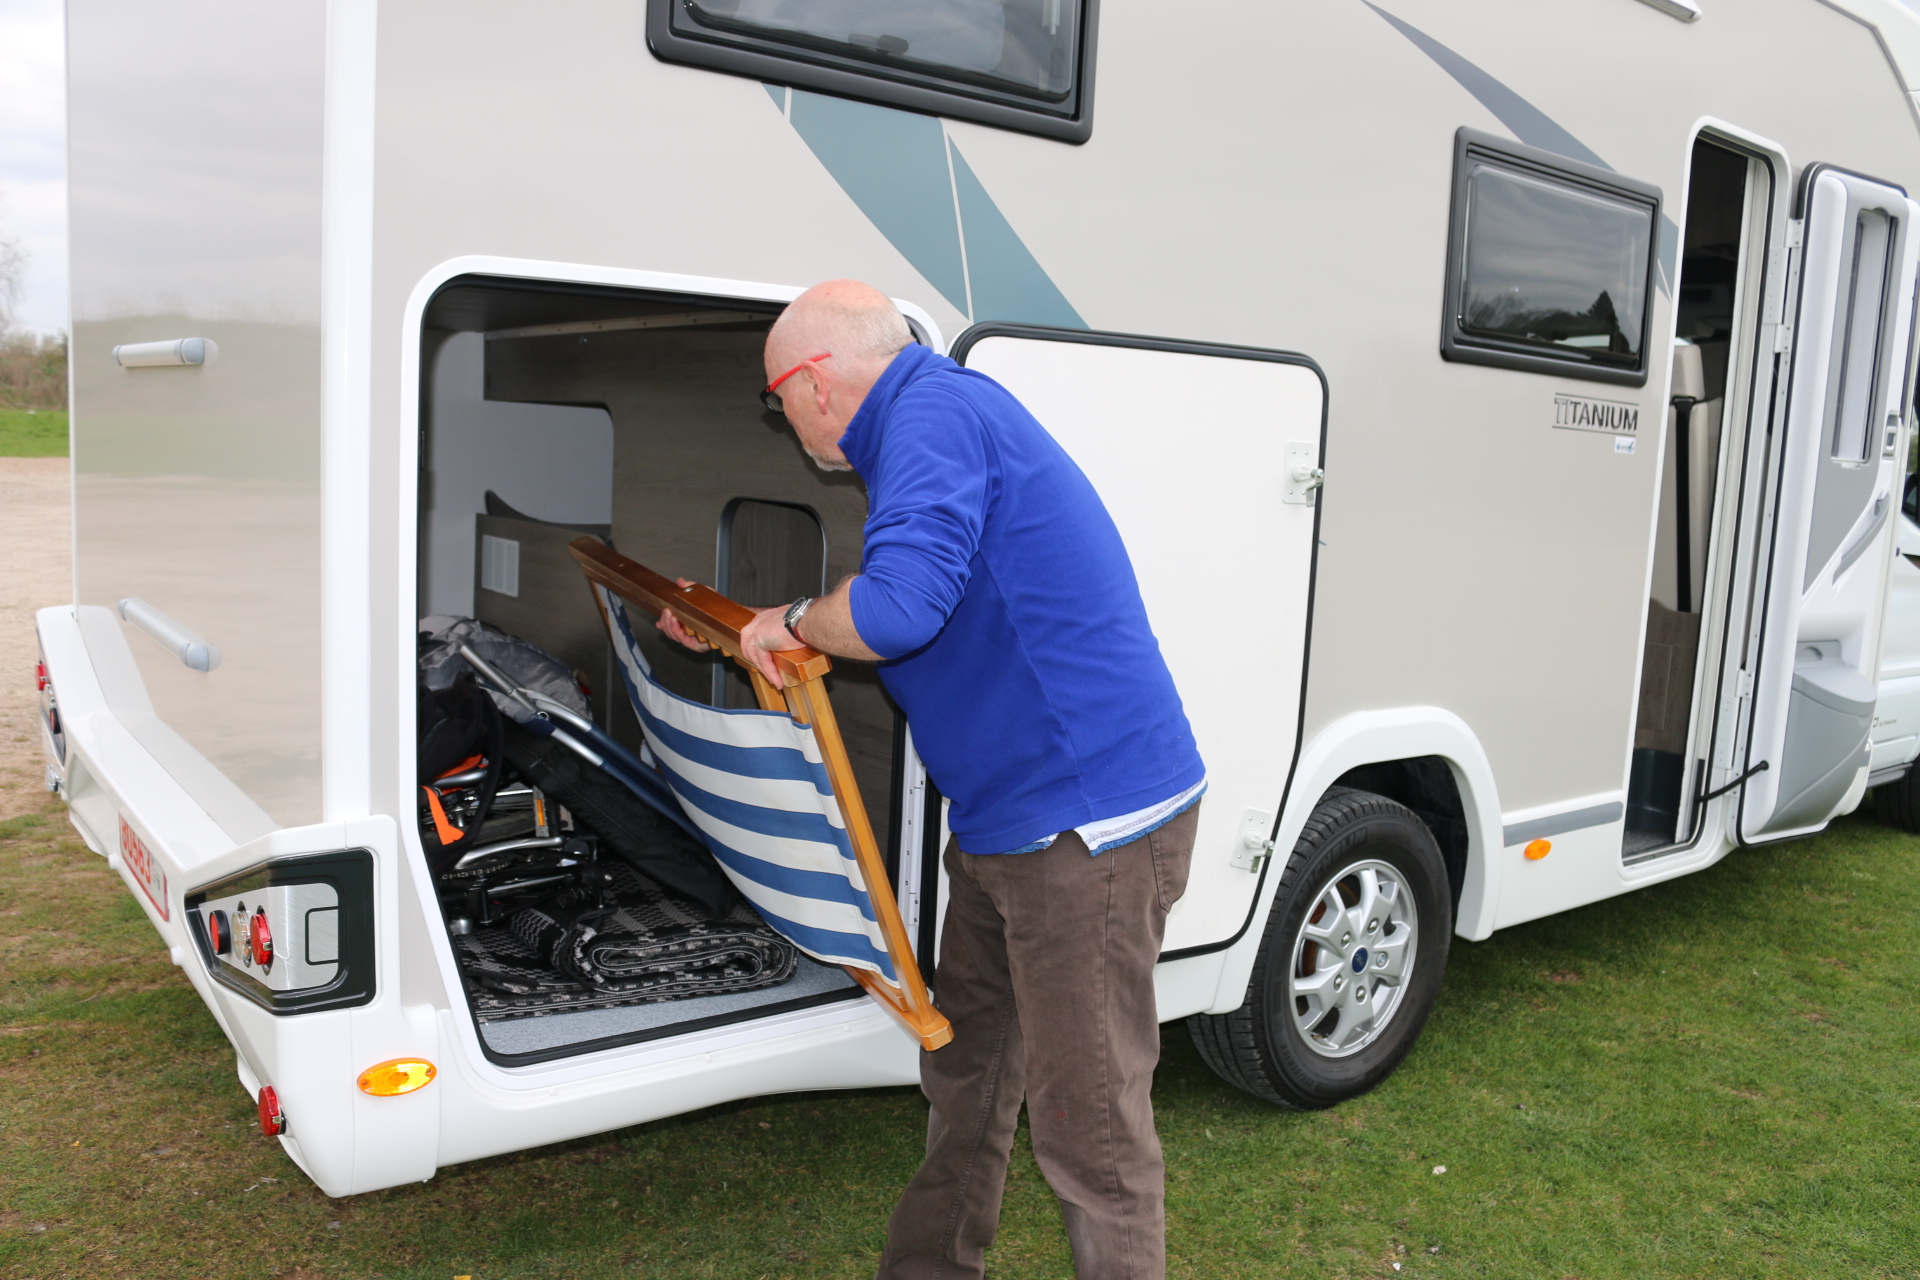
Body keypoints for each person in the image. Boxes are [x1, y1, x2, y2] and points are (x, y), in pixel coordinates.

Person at [656, 280, 1205, 1280]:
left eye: (778, 402)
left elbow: (898, 611)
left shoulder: (934, 414)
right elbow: (896, 598)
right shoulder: (931, 417)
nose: (787, 422)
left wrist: (793, 623)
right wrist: (759, 623)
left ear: (815, 383)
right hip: (1013, 819)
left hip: (1086, 827)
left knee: (1091, 1129)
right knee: (968, 1070)